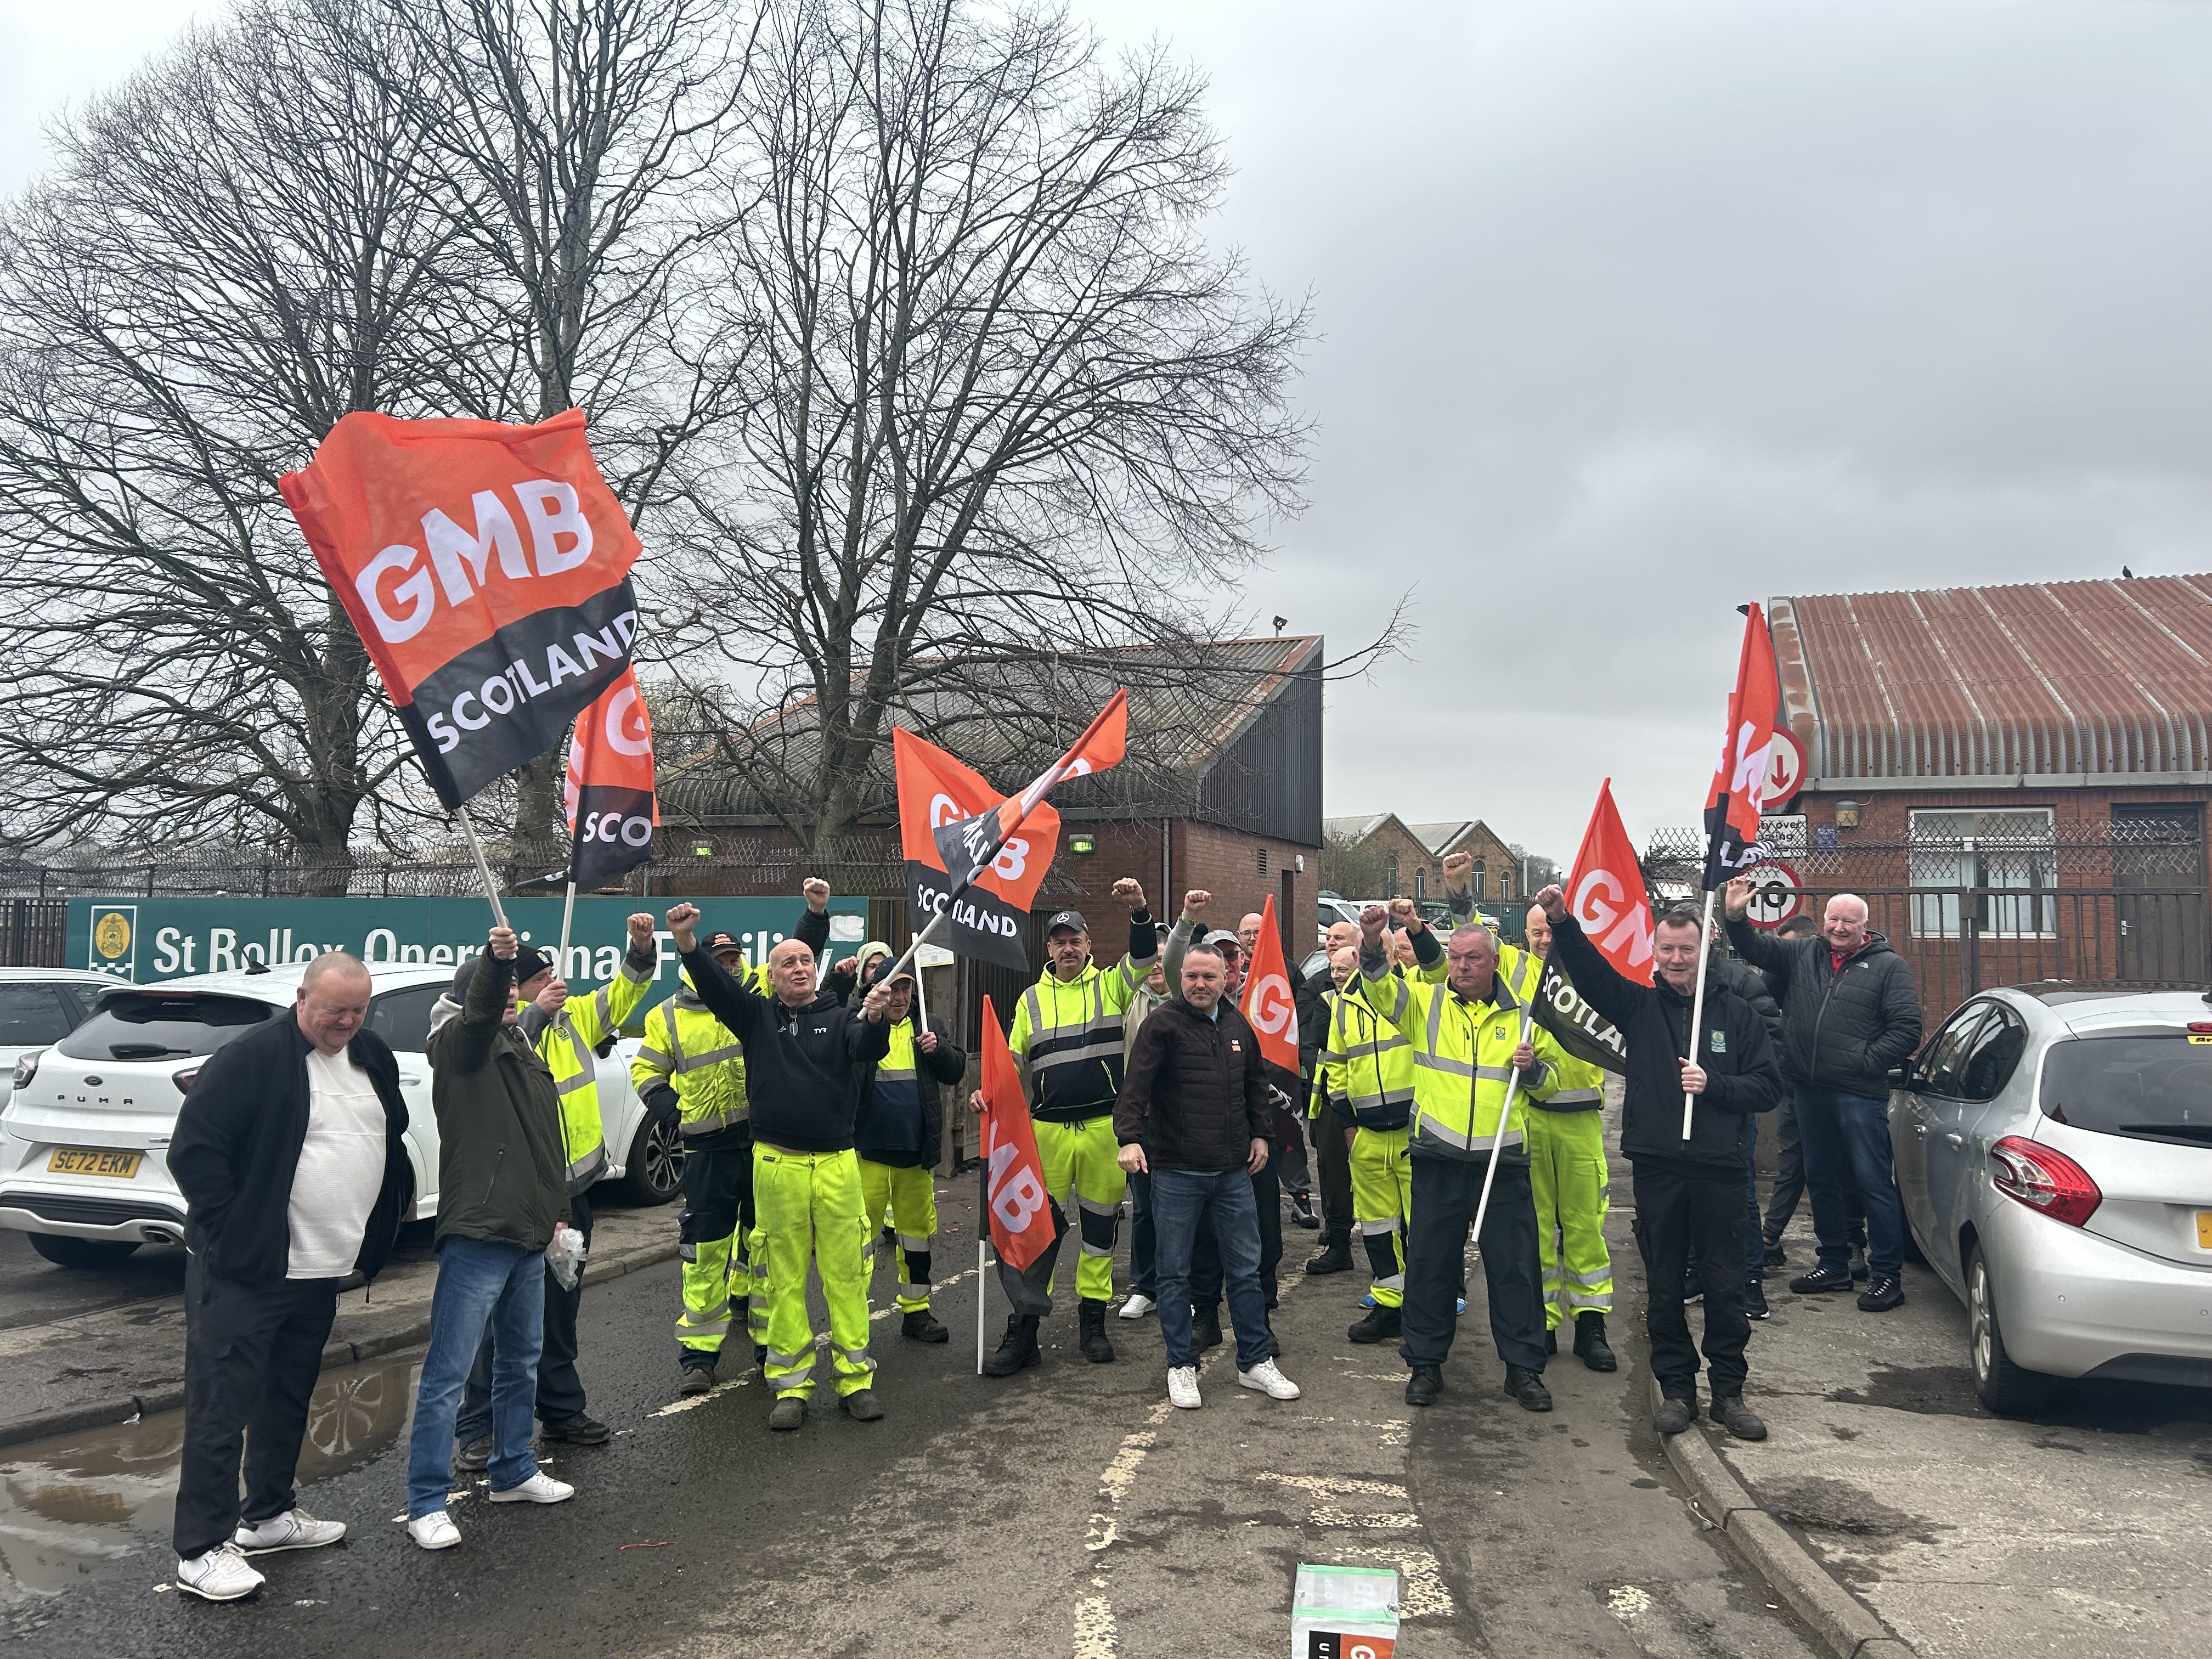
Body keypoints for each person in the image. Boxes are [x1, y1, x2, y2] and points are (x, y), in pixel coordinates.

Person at [165, 952, 413, 1600]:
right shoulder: (252, 1057)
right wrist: (235, 1232)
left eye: (359, 1011)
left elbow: (391, 1130)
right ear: (304, 997)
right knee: (221, 1407)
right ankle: (199, 1550)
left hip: (320, 1271)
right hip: (248, 1273)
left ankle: (269, 1517)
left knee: (286, 1398)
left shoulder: (372, 1055)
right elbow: (195, 1152)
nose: (347, 1023)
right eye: (336, 1009)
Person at [1538, 888, 1784, 1440]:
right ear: (1655, 950)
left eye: (1687, 950)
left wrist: (1712, 1084)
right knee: (1665, 1285)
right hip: (1658, 1166)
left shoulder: (1736, 1014)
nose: (1677, 959)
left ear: (1705, 948)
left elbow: (1769, 1085)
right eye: (1668, 949)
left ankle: (1728, 1393)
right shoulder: (1639, 1007)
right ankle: (1677, 1389)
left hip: (1720, 1168)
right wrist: (1561, 921)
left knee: (1724, 1287)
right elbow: (1590, 973)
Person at [669, 895, 895, 1429]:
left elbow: (868, 1048)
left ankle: (855, 1381)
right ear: (769, 980)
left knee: (847, 1279)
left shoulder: (840, 1017)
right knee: (782, 1281)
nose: (799, 968)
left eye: (806, 962)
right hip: (777, 1167)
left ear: (816, 974)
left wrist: (880, 1018)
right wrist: (685, 943)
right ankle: (791, 1388)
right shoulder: (755, 1017)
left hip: (838, 1167)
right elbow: (714, 985)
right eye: (787, 963)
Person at [452, 911, 659, 1467]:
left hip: (572, 1195)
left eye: (551, 975)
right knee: (499, 1321)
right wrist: (536, 1018)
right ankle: (479, 1426)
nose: (553, 984)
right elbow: (507, 1057)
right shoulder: (502, 1031)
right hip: (518, 1201)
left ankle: (561, 1410)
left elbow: (623, 994)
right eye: (539, 978)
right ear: (511, 989)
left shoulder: (573, 1019)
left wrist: (639, 949)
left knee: (559, 1312)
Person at [407, 928, 583, 1550]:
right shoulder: (460, 1047)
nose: (512, 997)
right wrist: (495, 963)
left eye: (515, 990)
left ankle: (513, 1469)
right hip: (480, 1231)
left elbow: (544, 1145)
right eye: (501, 991)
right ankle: (425, 1502)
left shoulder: (521, 1047)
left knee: (520, 1360)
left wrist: (557, 1214)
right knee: (448, 1373)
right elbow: (478, 1017)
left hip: (529, 1232)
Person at [1356, 900, 1570, 1413]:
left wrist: (1535, 1070)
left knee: (1515, 1270)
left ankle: (1523, 1370)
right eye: (1454, 958)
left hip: (1503, 1164)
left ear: (1495, 961)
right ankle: (1425, 1366)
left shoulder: (1526, 1017)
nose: (1462, 967)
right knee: (1431, 1268)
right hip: (1439, 1159)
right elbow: (1380, 989)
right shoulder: (1427, 1005)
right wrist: (1370, 943)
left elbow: (1554, 1083)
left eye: (1472, 958)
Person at [1114, 939, 1302, 1409]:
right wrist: (1129, 1138)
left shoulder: (1239, 1024)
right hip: (1177, 1172)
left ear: (1225, 979)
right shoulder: (1162, 1025)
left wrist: (1261, 1135)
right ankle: (1182, 1365)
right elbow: (1135, 1088)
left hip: (1233, 1172)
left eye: (1210, 977)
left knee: (1245, 1270)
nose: (1201, 985)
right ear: (1183, 979)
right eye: (1193, 976)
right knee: (1174, 1274)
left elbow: (1255, 1086)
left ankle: (1254, 1362)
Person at [983, 878, 1160, 1374]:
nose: (1067, 948)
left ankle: (1093, 1324)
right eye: (1059, 941)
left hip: (1104, 1129)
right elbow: (1012, 1062)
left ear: (1089, 947)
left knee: (1100, 1232)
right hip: (1047, 1133)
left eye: (1075, 941)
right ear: (1050, 949)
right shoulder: (1030, 1000)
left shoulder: (1112, 985)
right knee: (1036, 1236)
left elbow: (1144, 958)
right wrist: (988, 1093)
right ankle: (1025, 1333)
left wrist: (1140, 911)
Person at [1723, 882, 1922, 1314]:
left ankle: (1886, 1274)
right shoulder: (1805, 953)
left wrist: (1862, 1061)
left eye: (1849, 921)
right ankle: (1833, 1262)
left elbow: (1907, 1029)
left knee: (1872, 1184)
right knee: (1821, 1179)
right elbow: (1756, 950)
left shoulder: (1889, 967)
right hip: (1808, 1090)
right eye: (1833, 919)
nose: (1838, 927)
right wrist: (1736, 917)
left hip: (1857, 1094)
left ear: (1865, 927)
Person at [632, 927, 759, 1398]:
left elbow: (803, 966)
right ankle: (700, 1358)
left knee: (764, 1245)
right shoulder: (666, 1015)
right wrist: (675, 1113)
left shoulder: (754, 995)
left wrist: (816, 917)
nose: (729, 967)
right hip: (707, 1150)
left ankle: (770, 1347)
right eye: (720, 960)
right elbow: (645, 1072)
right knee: (705, 1253)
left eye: (733, 959)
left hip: (760, 1142)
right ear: (698, 964)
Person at [1508, 899, 1618, 1372]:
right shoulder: (1515, 975)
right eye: (1536, 932)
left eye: (1550, 929)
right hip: (1531, 1117)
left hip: (1581, 1120)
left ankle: (1592, 1324)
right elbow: (1469, 936)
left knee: (1584, 1227)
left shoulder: (1591, 974)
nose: (1544, 939)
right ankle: (1546, 1322)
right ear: (1526, 935)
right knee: (1533, 1229)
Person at [852, 953, 967, 1344]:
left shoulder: (928, 1025)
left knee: (916, 1237)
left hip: (915, 1154)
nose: (900, 997)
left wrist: (939, 1050)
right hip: (867, 1153)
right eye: (892, 989)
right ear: (876, 991)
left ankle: (917, 1313)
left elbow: (955, 1072)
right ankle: (852, 1318)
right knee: (860, 1241)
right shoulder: (860, 1025)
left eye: (906, 988)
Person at [1318, 943, 1420, 1346]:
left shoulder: (1414, 995)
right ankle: (1389, 1304)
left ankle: (1426, 1305)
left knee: (1421, 1227)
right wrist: (1347, 1125)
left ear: (1393, 958)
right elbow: (1336, 1067)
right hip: (1368, 1134)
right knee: (1378, 1227)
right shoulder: (1344, 1005)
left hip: (1415, 1134)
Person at [1757, 913, 1867, 1275]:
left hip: (1842, 1082)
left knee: (1846, 1163)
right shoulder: (1783, 974)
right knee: (1798, 1159)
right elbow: (1760, 1009)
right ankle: (1774, 1237)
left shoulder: (1838, 972)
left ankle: (1849, 1243)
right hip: (1797, 1079)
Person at [1299, 917, 1361, 1273]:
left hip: (1377, 1098)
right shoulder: (1316, 989)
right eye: (1328, 939)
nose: (1331, 944)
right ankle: (1339, 1242)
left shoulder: (1380, 989)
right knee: (1333, 1172)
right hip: (1331, 1096)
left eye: (1339, 939)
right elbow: (1313, 1043)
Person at [1118, 940, 1173, 1323]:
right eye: (1148, 958)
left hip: (1181, 1121)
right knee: (1144, 1208)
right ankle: (1145, 1287)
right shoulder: (1126, 1002)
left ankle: (1181, 1287)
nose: (1155, 964)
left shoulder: (1188, 1002)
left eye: (1163, 957)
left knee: (1183, 1209)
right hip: (1141, 1120)